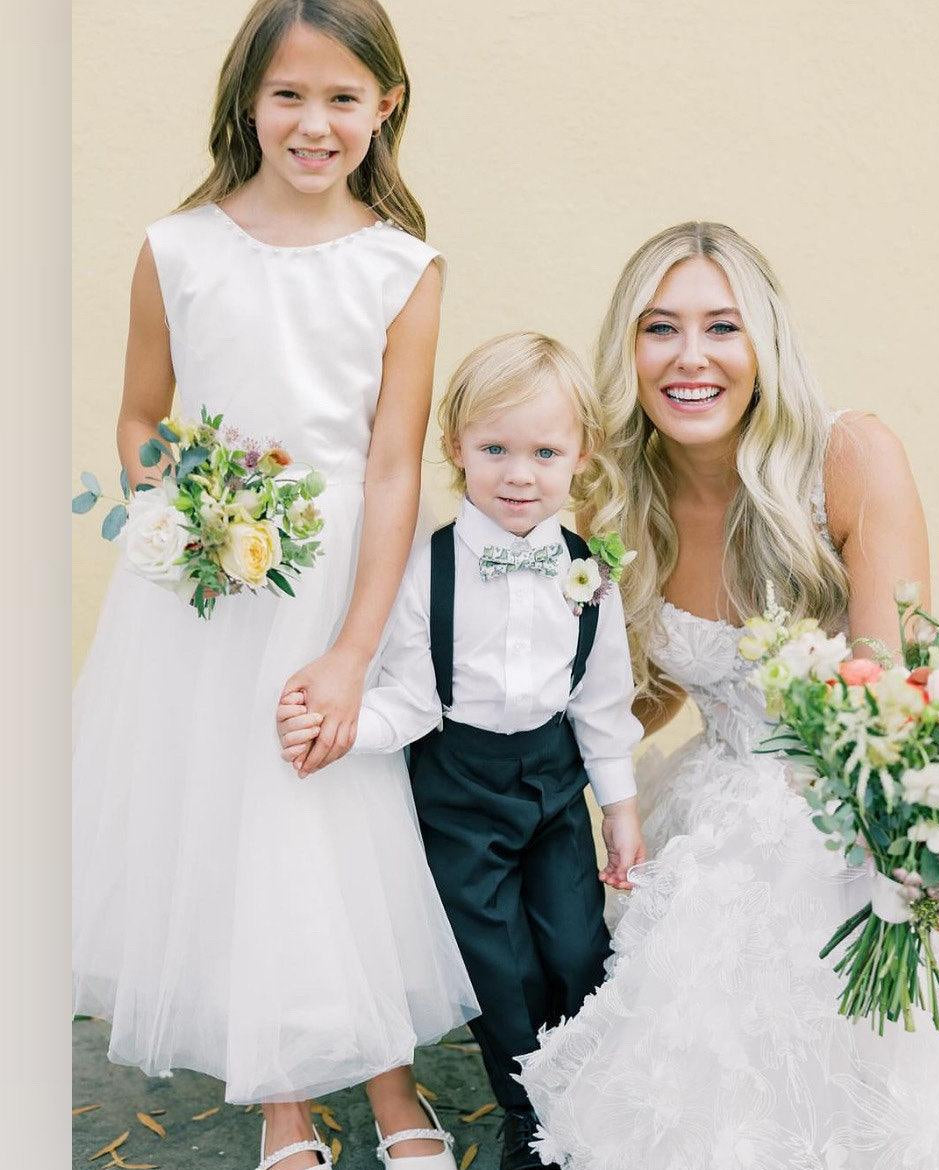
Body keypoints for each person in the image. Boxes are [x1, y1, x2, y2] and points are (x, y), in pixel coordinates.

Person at [515, 222, 939, 1170]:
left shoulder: (849, 457)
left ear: (765, 346)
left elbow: (895, 689)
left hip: (855, 795)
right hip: (712, 791)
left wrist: (896, 854)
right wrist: (518, 761)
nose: (690, 358)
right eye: (660, 329)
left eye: (722, 328)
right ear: (628, 350)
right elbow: (649, 691)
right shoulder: (613, 495)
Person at [71, 3, 479, 1167]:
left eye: (343, 98)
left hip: (338, 578)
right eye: (289, 95)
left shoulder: (403, 268)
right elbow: (142, 417)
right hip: (210, 588)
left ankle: (392, 1087)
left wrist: (355, 649)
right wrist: (181, 508)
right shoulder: (177, 247)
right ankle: (283, 1107)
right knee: (237, 823)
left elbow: (394, 463)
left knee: (339, 817)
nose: (314, 123)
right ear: (248, 101)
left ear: (384, 107)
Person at [278, 331, 646, 1170]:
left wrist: (618, 807)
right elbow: (407, 697)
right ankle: (527, 1115)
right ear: (455, 449)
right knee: (497, 962)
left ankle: (585, 1095)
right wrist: (345, 731)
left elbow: (600, 698)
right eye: (496, 449)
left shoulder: (592, 572)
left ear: (579, 456)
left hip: (554, 784)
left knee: (576, 946)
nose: (520, 474)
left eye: (545, 452)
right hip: (456, 782)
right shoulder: (425, 569)